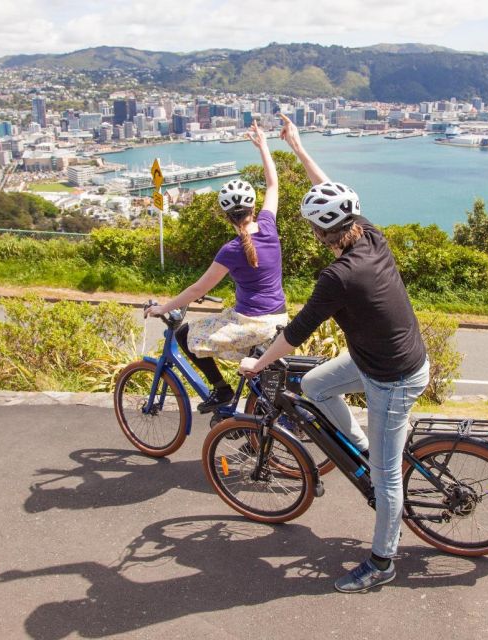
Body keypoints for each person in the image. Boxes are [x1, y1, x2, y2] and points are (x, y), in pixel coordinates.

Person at [239, 114, 429, 593]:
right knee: (315, 384)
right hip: (384, 359)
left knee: (386, 480)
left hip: (393, 376)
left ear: (321, 233)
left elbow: (297, 333)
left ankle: (382, 562)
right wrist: (299, 148)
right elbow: (332, 192)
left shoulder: (338, 277)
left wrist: (256, 364)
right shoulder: (371, 237)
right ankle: (364, 446)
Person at [147, 122, 288, 413]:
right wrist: (263, 145)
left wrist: (163, 308)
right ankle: (244, 416)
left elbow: (199, 288)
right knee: (242, 357)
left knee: (186, 335)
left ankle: (221, 391)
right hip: (280, 320)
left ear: (226, 215)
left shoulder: (231, 250)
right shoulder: (270, 228)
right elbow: (273, 184)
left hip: (250, 323)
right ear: (253, 208)